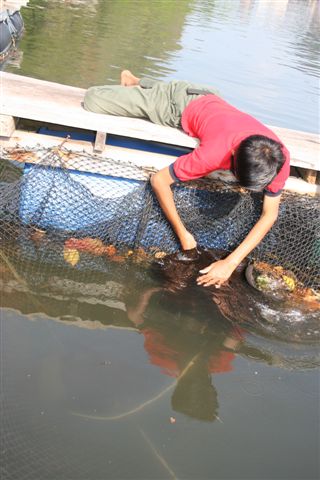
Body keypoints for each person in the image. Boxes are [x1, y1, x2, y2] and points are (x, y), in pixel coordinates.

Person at [84, 70, 290, 287]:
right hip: (179, 106)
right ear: (232, 158)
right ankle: (139, 85)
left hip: (213, 101)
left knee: (181, 93)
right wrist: (183, 234)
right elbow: (159, 181)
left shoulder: (277, 158)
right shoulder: (214, 153)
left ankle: (140, 83)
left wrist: (231, 262)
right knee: (92, 100)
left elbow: (270, 214)